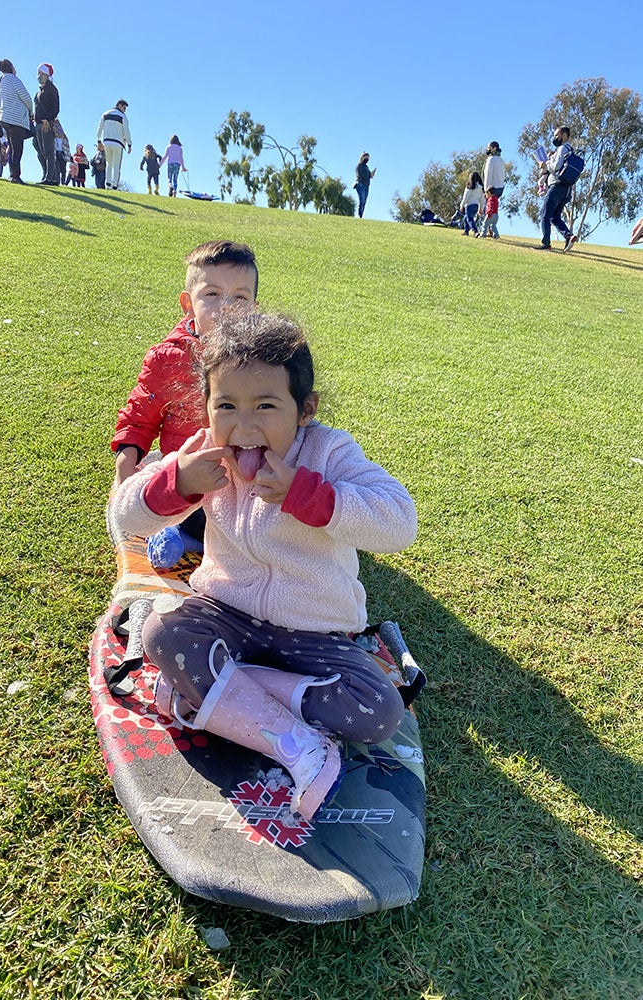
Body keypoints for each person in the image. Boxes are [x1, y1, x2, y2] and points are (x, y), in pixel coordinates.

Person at [109, 310, 418, 821]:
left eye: (266, 406)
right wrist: (178, 482)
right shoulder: (204, 451)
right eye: (226, 405)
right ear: (206, 407)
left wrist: (309, 494)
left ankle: (222, 693)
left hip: (315, 636)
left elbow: (398, 521)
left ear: (305, 410)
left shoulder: (327, 451)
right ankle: (299, 745)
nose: (244, 426)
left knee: (379, 711)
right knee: (162, 630)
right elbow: (125, 516)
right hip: (226, 616)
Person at [112, 240, 259, 568]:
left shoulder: (263, 364)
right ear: (187, 304)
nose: (226, 307)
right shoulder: (168, 359)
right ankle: (174, 533)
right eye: (212, 294)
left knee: (255, 525)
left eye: (240, 297)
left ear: (254, 307)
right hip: (187, 480)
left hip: (238, 487)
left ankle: (214, 545)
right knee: (169, 501)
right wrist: (125, 481)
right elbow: (138, 420)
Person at [533, 125, 578, 253]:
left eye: (557, 135)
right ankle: (569, 236)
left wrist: (545, 164)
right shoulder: (570, 149)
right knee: (555, 217)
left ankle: (545, 243)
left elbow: (556, 166)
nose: (555, 138)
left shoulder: (562, 148)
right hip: (567, 188)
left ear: (564, 135)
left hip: (556, 186)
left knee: (545, 215)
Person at [0, 59, 32, 184]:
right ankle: (15, 175)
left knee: (12, 146)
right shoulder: (13, 79)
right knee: (18, 148)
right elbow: (26, 97)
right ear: (11, 67)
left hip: (4, 117)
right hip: (16, 118)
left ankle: (13, 173)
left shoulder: (0, 82)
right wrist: (30, 111)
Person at [32, 62, 59, 185]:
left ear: (47, 75)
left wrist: (48, 119)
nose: (39, 76)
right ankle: (47, 173)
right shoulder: (39, 91)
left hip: (45, 124)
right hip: (37, 123)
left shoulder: (52, 89)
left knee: (48, 150)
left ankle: (51, 178)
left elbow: (56, 108)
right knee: (40, 149)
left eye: (41, 73)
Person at [96, 99, 131, 190]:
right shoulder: (122, 116)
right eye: (124, 107)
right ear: (119, 105)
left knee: (109, 163)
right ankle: (114, 185)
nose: (125, 109)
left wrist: (99, 140)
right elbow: (126, 131)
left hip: (106, 141)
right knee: (116, 165)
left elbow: (100, 127)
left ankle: (108, 183)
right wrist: (129, 144)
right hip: (118, 143)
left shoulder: (105, 114)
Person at [460, 171, 485, 237]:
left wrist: (462, 205)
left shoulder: (469, 187)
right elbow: (482, 199)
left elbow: (465, 197)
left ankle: (475, 231)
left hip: (469, 205)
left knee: (469, 219)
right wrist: (481, 208)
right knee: (466, 218)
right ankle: (466, 231)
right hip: (476, 206)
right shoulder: (480, 188)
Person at [353, 151, 376, 218]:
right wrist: (368, 175)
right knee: (362, 200)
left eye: (368, 158)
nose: (367, 159)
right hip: (360, 185)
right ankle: (360, 215)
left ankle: (361, 215)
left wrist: (372, 173)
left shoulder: (367, 167)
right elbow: (359, 175)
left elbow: (370, 176)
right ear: (362, 157)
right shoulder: (359, 165)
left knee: (364, 201)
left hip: (366, 186)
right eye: (366, 157)